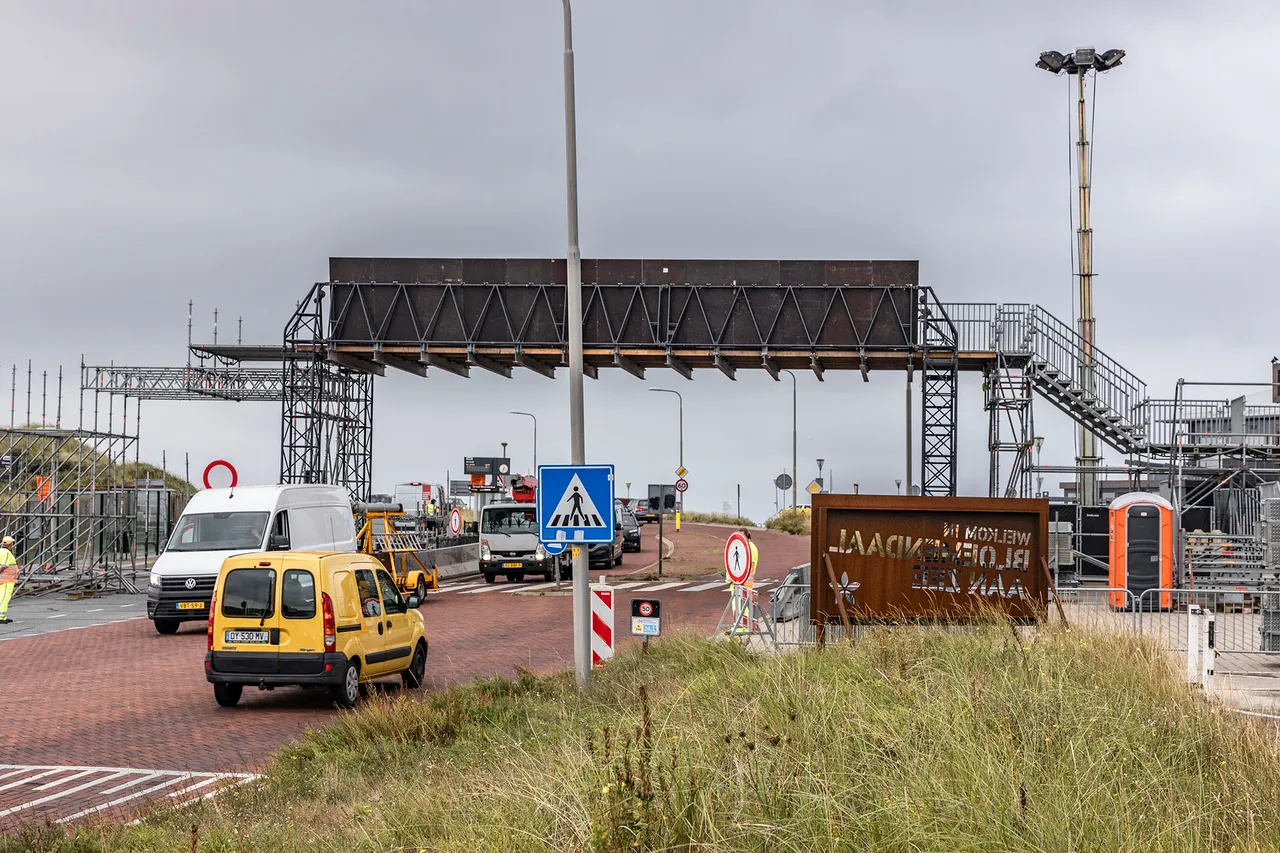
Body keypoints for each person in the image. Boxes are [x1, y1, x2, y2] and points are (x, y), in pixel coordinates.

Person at [0, 535, 17, 624]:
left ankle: (3, 616)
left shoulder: (1, 551)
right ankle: (1, 617)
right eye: (12, 544)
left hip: (5, 579)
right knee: (4, 598)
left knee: (2, 597)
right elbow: (3, 566)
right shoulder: (6, 553)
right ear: (10, 544)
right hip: (6, 579)